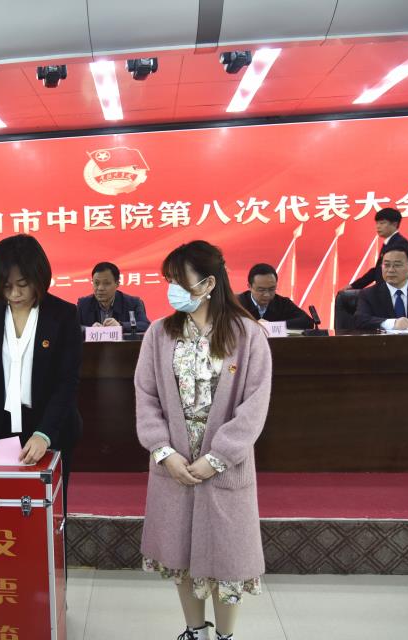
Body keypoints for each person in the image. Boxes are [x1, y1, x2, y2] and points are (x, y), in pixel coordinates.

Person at [135, 240, 272, 640]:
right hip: (175, 462)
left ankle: (225, 636)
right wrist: (163, 452)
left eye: (180, 281)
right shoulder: (159, 333)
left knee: (227, 560)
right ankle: (194, 631)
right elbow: (146, 396)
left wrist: (217, 457)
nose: (172, 290)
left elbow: (254, 405)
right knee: (179, 556)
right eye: (169, 281)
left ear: (209, 283)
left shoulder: (248, 335)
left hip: (224, 465)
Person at [0, 234, 82, 512]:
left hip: (49, 426)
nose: (14, 294)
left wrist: (44, 434)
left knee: (47, 514)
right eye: (6, 286)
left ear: (39, 277)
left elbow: (67, 382)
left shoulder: (63, 314)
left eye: (23, 285)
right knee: (1, 511)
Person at [76, 262, 150, 334]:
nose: (100, 288)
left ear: (117, 284)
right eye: (96, 283)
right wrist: (89, 329)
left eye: (106, 283)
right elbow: (73, 327)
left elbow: (145, 325)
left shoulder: (133, 303)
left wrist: (120, 326)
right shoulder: (83, 304)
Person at [349, 207, 408, 289]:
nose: (378, 226)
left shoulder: (399, 245)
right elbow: (377, 271)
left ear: (394, 224)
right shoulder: (390, 243)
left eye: (382, 223)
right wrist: (353, 286)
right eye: (377, 223)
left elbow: (393, 274)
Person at [237, 263, 314, 329]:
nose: (267, 294)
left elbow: (308, 322)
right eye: (261, 290)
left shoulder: (282, 303)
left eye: (271, 289)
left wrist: (273, 325)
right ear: (249, 287)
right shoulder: (237, 303)